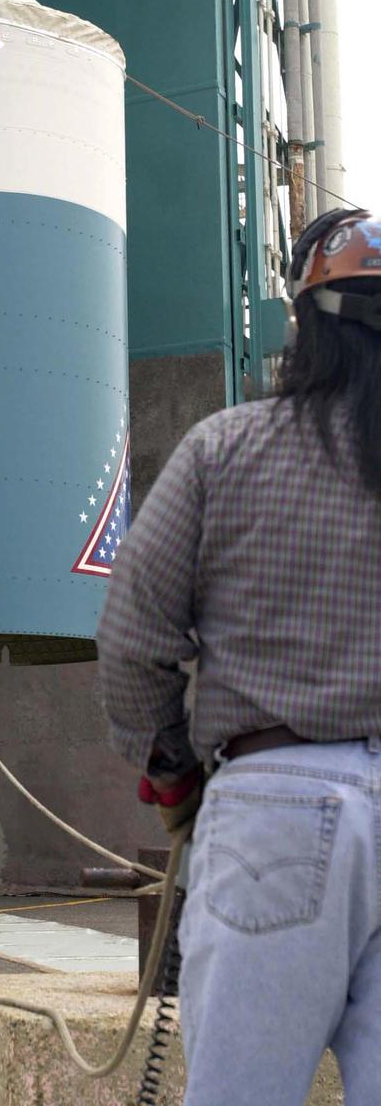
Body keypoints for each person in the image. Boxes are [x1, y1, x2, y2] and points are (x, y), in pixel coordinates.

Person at [96, 208, 381, 1106]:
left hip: (275, 808)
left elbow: (132, 640)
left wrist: (172, 773)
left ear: (305, 323)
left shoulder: (226, 447)